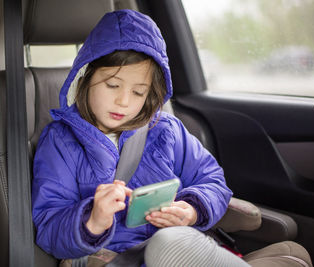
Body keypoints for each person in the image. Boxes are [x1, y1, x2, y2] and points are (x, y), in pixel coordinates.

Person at [32, 9, 249, 267]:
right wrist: (92, 220)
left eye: (138, 92)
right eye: (112, 85)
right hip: (108, 257)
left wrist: (192, 210)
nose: (123, 101)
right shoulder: (61, 141)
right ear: (85, 78)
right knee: (169, 245)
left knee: (172, 243)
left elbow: (212, 180)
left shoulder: (166, 129)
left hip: (174, 246)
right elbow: (48, 226)